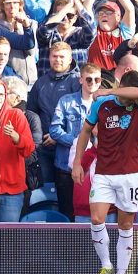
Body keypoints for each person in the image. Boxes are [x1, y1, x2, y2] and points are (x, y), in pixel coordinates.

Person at [72, 70, 138, 274]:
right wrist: (78, 163)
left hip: (130, 175)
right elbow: (85, 131)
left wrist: (109, 89)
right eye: (126, 98)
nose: (130, 101)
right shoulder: (102, 104)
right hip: (104, 173)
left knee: (125, 225)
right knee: (97, 219)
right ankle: (106, 265)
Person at [49, 63, 102, 221]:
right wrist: (77, 141)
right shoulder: (66, 101)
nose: (93, 83)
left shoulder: (105, 103)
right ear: (80, 80)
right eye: (89, 79)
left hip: (96, 168)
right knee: (68, 212)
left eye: (97, 79)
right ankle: (69, 246)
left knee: (95, 214)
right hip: (66, 165)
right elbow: (54, 129)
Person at [28, 42, 81, 187]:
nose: (58, 60)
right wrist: (39, 138)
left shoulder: (77, 82)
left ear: (70, 59)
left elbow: (80, 115)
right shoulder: (40, 83)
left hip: (69, 148)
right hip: (44, 147)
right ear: (49, 58)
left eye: (62, 57)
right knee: (46, 190)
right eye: (54, 56)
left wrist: (57, 136)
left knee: (67, 195)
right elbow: (31, 113)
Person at [0, 78, 36, 222]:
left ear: (5, 96)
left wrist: (16, 137)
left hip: (12, 192)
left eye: (0, 94)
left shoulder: (16, 115)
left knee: (7, 240)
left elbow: (29, 150)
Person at [37, 0, 96, 76]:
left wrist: (76, 0)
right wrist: (68, 5)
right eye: (62, 15)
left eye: (70, 15)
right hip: (47, 85)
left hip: (74, 85)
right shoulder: (49, 34)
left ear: (75, 18)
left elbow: (91, 29)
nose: (65, 18)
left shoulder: (79, 34)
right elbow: (44, 30)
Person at [88, 0, 136, 70]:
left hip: (118, 81)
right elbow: (87, 7)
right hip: (95, 81)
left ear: (118, 17)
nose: (104, 15)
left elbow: (130, 9)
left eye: (109, 12)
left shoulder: (125, 33)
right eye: (101, 13)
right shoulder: (92, 30)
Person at [0, 0, 38, 87]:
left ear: (20, 5)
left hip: (32, 81)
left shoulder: (31, 24)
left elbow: (31, 51)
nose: (12, 6)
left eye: (15, 2)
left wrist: (23, 26)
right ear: (2, 6)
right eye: (8, 3)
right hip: (10, 80)